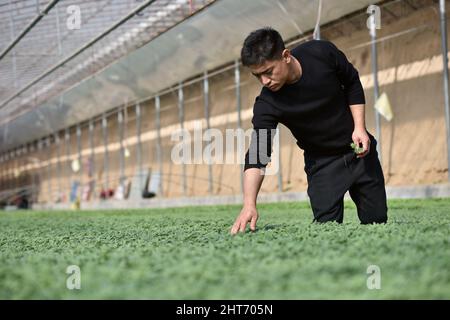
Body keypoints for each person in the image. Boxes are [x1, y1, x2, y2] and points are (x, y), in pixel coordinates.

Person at [230, 27, 388, 235]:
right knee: (326, 231)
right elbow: (258, 154)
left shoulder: (321, 53)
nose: (265, 81)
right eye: (257, 76)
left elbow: (351, 82)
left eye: (268, 72)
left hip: (359, 151)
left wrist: (360, 127)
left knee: (376, 222)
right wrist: (249, 203)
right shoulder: (267, 104)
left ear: (285, 56)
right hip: (321, 164)